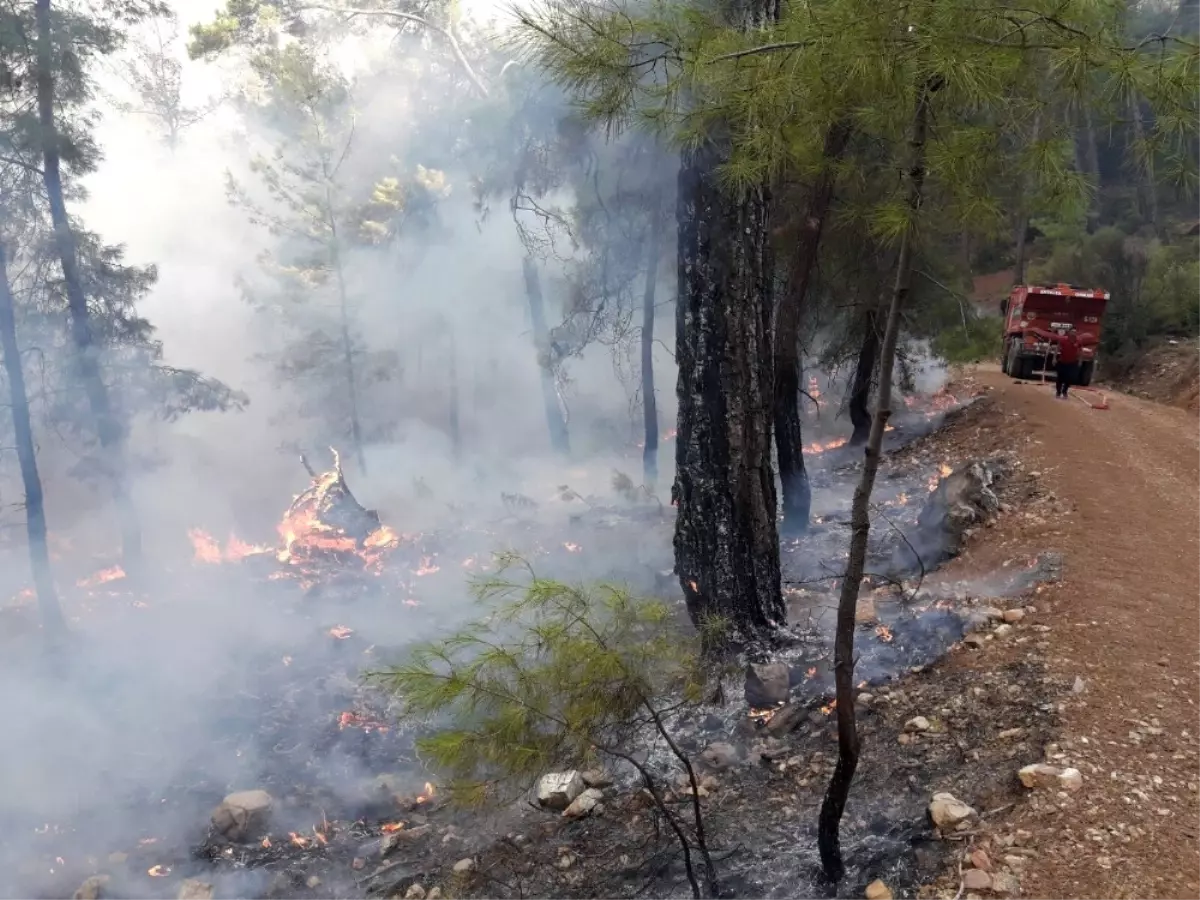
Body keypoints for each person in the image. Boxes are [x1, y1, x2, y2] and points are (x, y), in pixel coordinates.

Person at [1031, 325, 1096, 399]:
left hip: (1072, 363)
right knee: (1060, 378)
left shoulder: (1078, 341)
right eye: (1072, 332)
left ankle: (1064, 392)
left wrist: (1080, 361)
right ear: (1069, 333)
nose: (1073, 334)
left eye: (1075, 332)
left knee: (1069, 378)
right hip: (1062, 362)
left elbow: (1080, 351)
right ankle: (1058, 392)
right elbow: (1057, 349)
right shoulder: (1063, 340)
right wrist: (1054, 359)